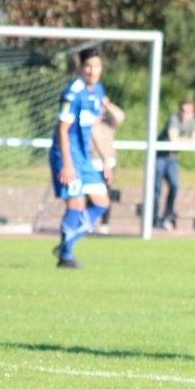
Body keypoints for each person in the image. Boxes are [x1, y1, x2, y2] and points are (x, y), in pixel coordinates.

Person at [49, 47, 123, 268]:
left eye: (96, 66)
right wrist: (67, 165)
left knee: (102, 203)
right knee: (77, 203)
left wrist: (106, 160)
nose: (92, 71)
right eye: (88, 66)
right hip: (66, 156)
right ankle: (66, 256)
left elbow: (95, 128)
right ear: (81, 67)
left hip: (84, 157)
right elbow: (62, 129)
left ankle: (66, 245)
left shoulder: (98, 91)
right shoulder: (73, 93)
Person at [154, 100, 195, 230]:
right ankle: (153, 219)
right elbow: (173, 139)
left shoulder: (192, 122)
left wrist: (185, 141)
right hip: (159, 157)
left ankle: (167, 216)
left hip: (172, 158)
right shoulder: (174, 119)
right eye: (183, 111)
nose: (185, 114)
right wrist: (189, 140)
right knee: (156, 189)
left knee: (175, 186)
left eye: (188, 112)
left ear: (193, 113)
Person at [89, 92, 126, 234]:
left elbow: (120, 116)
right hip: (90, 162)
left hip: (107, 164)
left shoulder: (108, 122)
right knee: (89, 194)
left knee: (106, 194)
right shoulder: (88, 122)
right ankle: (89, 222)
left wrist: (107, 105)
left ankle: (104, 223)